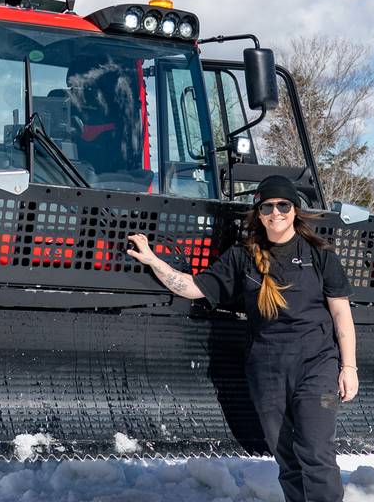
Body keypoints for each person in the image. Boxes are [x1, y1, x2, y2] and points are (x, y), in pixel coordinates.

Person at [123, 175, 358, 502]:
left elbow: (341, 314)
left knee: (317, 448)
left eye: (283, 205)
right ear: (259, 213)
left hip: (319, 372)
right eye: (267, 207)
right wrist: (152, 260)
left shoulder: (321, 256)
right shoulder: (242, 258)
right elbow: (194, 288)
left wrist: (349, 367)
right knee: (286, 457)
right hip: (268, 374)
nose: (276, 212)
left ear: (294, 209)